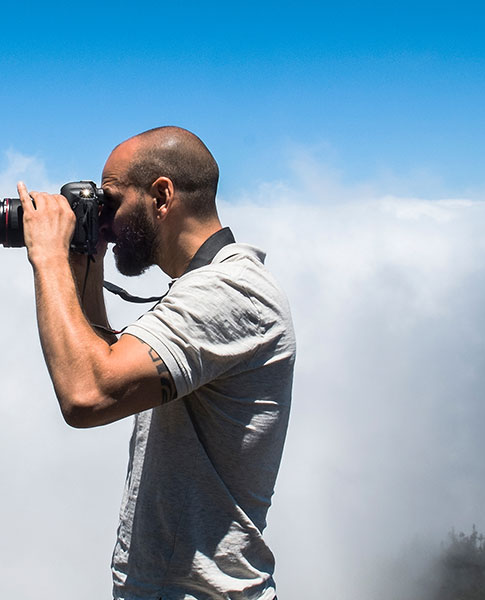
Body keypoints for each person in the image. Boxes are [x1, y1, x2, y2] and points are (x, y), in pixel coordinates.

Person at [17, 126, 295, 599]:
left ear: (161, 196)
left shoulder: (229, 293)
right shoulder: (209, 286)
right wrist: (85, 264)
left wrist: (48, 259)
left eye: (111, 202)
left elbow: (89, 394)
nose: (104, 219)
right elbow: (109, 365)